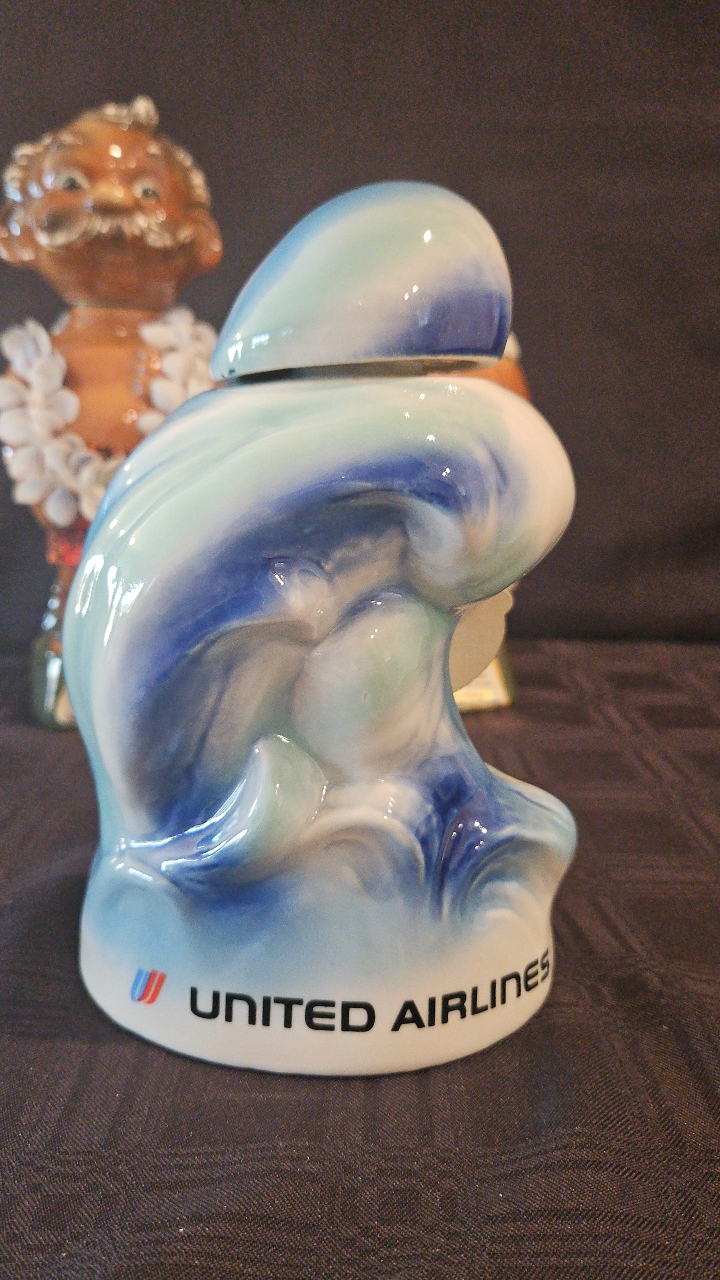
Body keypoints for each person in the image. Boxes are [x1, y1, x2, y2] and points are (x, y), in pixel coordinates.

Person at [0, 96, 222, 726]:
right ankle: (73, 676)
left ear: (203, 238)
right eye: (73, 182)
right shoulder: (30, 371)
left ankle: (172, 686)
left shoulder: (198, 364)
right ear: (15, 231)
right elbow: (28, 459)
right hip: (75, 544)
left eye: (147, 190)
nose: (114, 201)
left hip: (172, 550)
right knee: (77, 595)